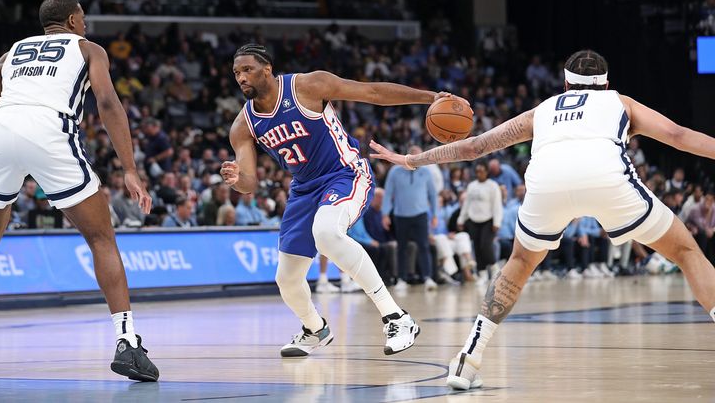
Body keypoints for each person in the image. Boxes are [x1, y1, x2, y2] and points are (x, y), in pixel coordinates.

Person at [370, 49, 715, 390]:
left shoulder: (543, 110)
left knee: (518, 263)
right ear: (606, 83)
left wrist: (412, 160)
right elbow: (678, 136)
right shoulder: (621, 102)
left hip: (547, 183)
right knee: (685, 252)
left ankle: (468, 357)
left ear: (565, 84)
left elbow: (474, 147)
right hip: (606, 178)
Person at [0, 0, 159, 381]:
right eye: (82, 16)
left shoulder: (13, 51)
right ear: (71, 20)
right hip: (49, 132)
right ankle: (127, 343)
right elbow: (109, 104)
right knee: (101, 238)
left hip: (0, 134)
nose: (85, 23)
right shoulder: (88, 48)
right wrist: (129, 168)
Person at [221, 43, 460, 357]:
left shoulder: (307, 85)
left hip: (344, 172)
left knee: (327, 233)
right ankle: (314, 329)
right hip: (304, 190)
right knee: (287, 278)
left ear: (267, 69)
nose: (241, 77)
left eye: (247, 69)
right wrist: (237, 180)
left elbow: (372, 92)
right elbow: (249, 183)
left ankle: (397, 318)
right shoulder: (243, 125)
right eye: (237, 72)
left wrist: (431, 97)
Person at [382, 145, 439, 291]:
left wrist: (435, 215)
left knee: (424, 246)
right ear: (409, 156)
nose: (420, 160)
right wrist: (385, 214)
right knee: (401, 248)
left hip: (421, 214)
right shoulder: (395, 171)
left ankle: (427, 277)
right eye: (417, 157)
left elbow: (432, 195)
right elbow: (388, 193)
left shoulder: (426, 172)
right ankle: (402, 279)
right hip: (401, 215)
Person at [458, 162, 503, 282]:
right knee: (477, 247)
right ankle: (482, 273)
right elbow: (466, 204)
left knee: (485, 245)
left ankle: (494, 267)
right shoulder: (472, 186)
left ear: (486, 172)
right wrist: (461, 219)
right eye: (477, 171)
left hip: (488, 220)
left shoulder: (493, 186)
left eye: (481, 171)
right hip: (473, 220)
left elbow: (497, 205)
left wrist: (497, 222)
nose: (479, 174)